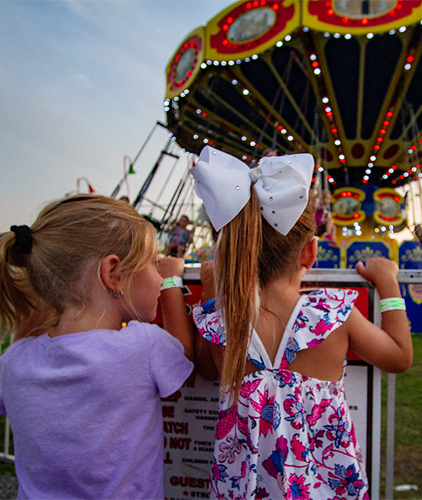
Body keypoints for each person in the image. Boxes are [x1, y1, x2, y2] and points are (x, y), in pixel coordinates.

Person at [190, 146, 413, 499]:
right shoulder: (330, 315)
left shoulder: (222, 321)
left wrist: (210, 293)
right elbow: (399, 356)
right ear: (309, 253)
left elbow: (205, 369)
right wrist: (388, 282)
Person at [0, 194, 194, 500]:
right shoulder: (142, 346)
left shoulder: (14, 361)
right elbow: (184, 352)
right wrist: (172, 281)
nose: (157, 276)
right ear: (113, 273)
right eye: (154, 264)